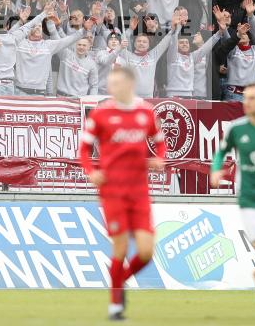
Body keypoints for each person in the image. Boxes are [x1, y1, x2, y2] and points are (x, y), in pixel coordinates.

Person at [79, 65, 165, 321]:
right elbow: (83, 150)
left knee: (147, 251)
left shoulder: (145, 112)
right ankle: (116, 305)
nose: (110, 88)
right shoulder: (101, 114)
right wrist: (90, 171)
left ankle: (120, 281)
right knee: (119, 248)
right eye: (110, 83)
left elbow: (160, 143)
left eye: (115, 83)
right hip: (112, 190)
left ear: (129, 84)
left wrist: (159, 159)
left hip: (139, 190)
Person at [211, 81, 255, 319]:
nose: (246, 103)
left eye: (251, 98)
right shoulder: (236, 128)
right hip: (250, 198)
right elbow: (221, 152)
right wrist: (216, 169)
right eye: (244, 98)